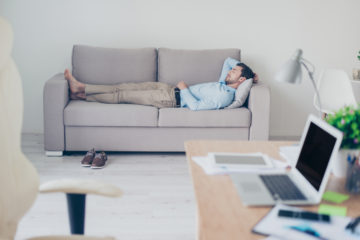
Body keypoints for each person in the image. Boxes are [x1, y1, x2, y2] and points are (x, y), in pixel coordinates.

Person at [65, 57, 257, 111]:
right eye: (232, 71)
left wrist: (185, 89)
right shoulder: (223, 83)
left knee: (121, 95)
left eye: (234, 73)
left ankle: (82, 92)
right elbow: (229, 60)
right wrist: (250, 76)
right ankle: (82, 90)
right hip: (166, 88)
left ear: (239, 80)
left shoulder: (224, 95)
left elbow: (197, 107)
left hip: (171, 99)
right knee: (123, 86)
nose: (230, 71)